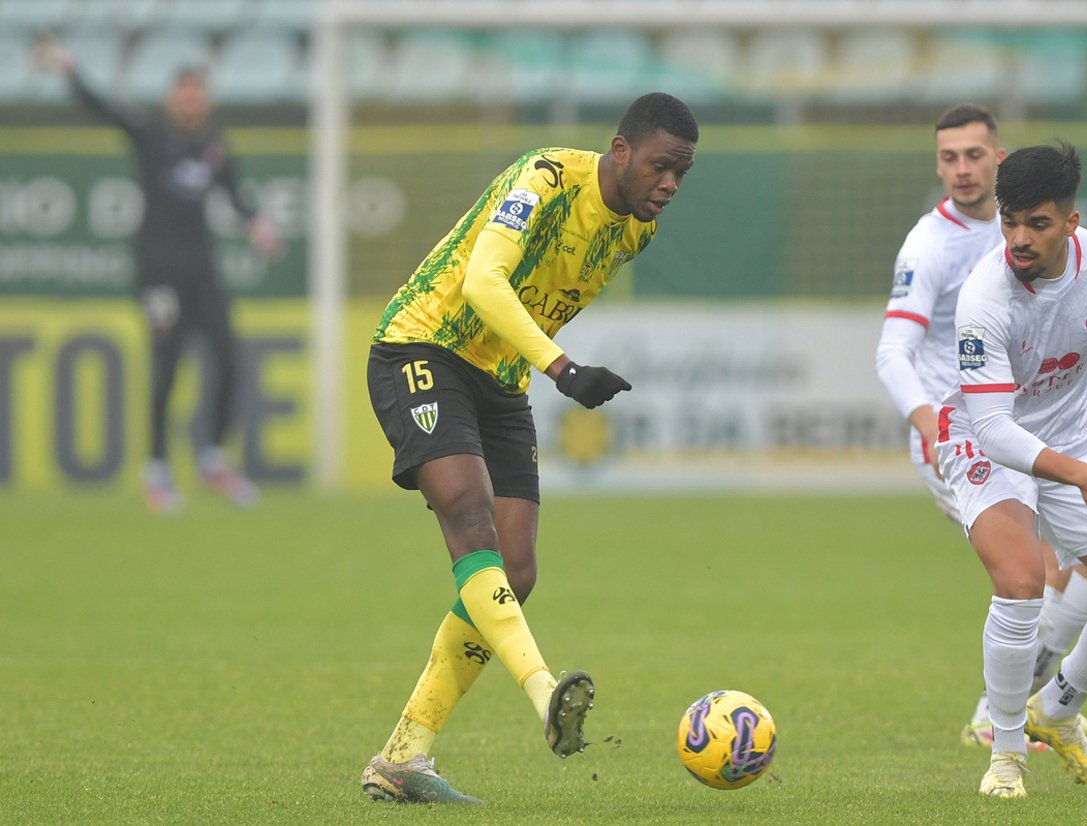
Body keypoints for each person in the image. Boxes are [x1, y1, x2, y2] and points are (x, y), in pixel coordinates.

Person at [361, 93, 698, 804]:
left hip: (501, 377)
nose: (669, 185)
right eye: (661, 167)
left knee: (515, 568)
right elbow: (485, 280)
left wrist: (540, 366)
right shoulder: (544, 177)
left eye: (682, 175)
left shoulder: (637, 233)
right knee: (470, 515)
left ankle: (403, 756)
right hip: (423, 344)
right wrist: (563, 368)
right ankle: (546, 693)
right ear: (620, 151)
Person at [874, 104, 1087, 750]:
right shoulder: (931, 247)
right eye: (947, 158)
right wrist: (927, 418)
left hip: (1051, 424)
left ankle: (1040, 704)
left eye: (973, 156)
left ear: (1001, 160)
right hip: (964, 431)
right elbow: (892, 352)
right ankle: (1001, 719)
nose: (961, 170)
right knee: (1032, 576)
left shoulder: (1048, 233)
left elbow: (1077, 302)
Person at [937, 142, 1087, 798]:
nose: (1018, 237)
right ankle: (1007, 753)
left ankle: (1060, 709)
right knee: (1019, 582)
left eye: (1036, 224)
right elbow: (992, 428)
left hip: (1071, 443)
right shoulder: (983, 298)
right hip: (983, 449)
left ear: (1071, 223)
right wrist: (1083, 475)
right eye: (1008, 220)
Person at [40, 42, 283, 514]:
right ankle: (156, 469)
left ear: (206, 99)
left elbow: (236, 195)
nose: (191, 100)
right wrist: (71, 68)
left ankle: (212, 458)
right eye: (184, 92)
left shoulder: (213, 146)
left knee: (229, 357)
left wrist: (257, 224)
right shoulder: (151, 134)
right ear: (172, 97)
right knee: (167, 365)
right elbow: (104, 109)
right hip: (158, 272)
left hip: (201, 269)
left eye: (199, 92)